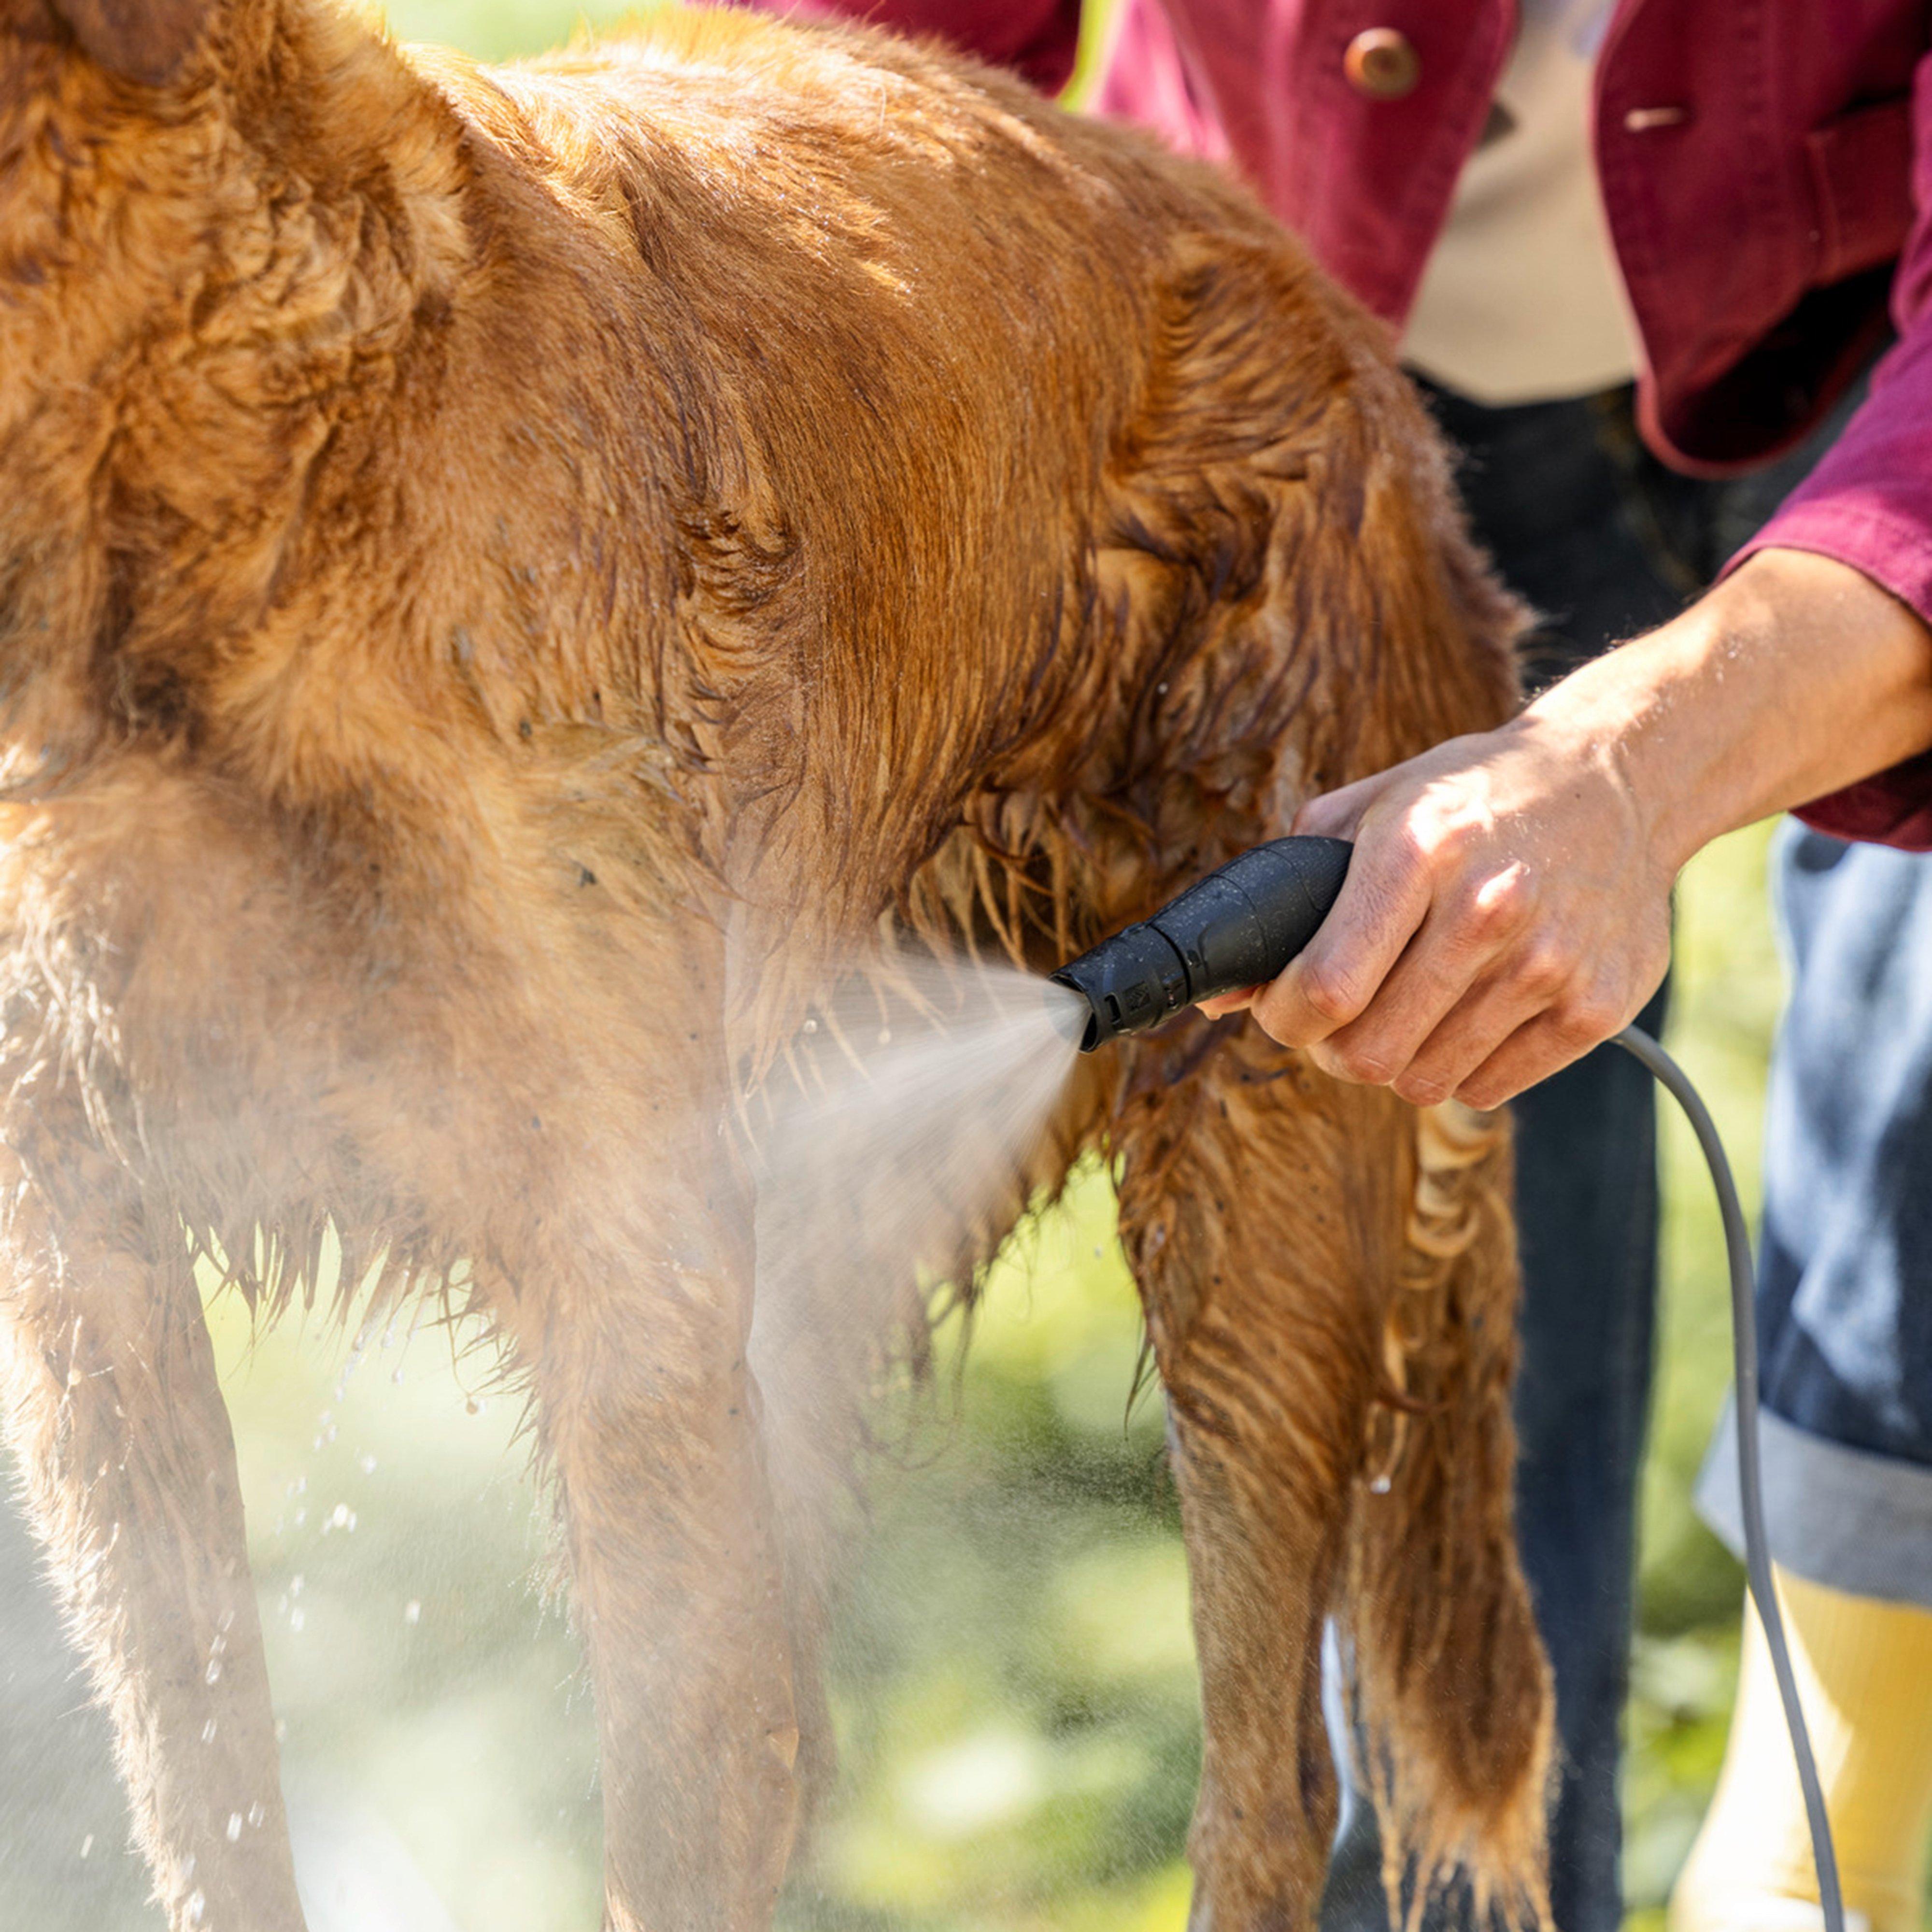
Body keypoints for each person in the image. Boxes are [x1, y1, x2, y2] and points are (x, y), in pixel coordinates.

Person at [761, 2, 1932, 1928]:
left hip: (1875, 340)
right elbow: (856, 67)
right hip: (1320, 335)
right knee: (1430, 1277)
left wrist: (1625, 770)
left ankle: (1838, 1838)